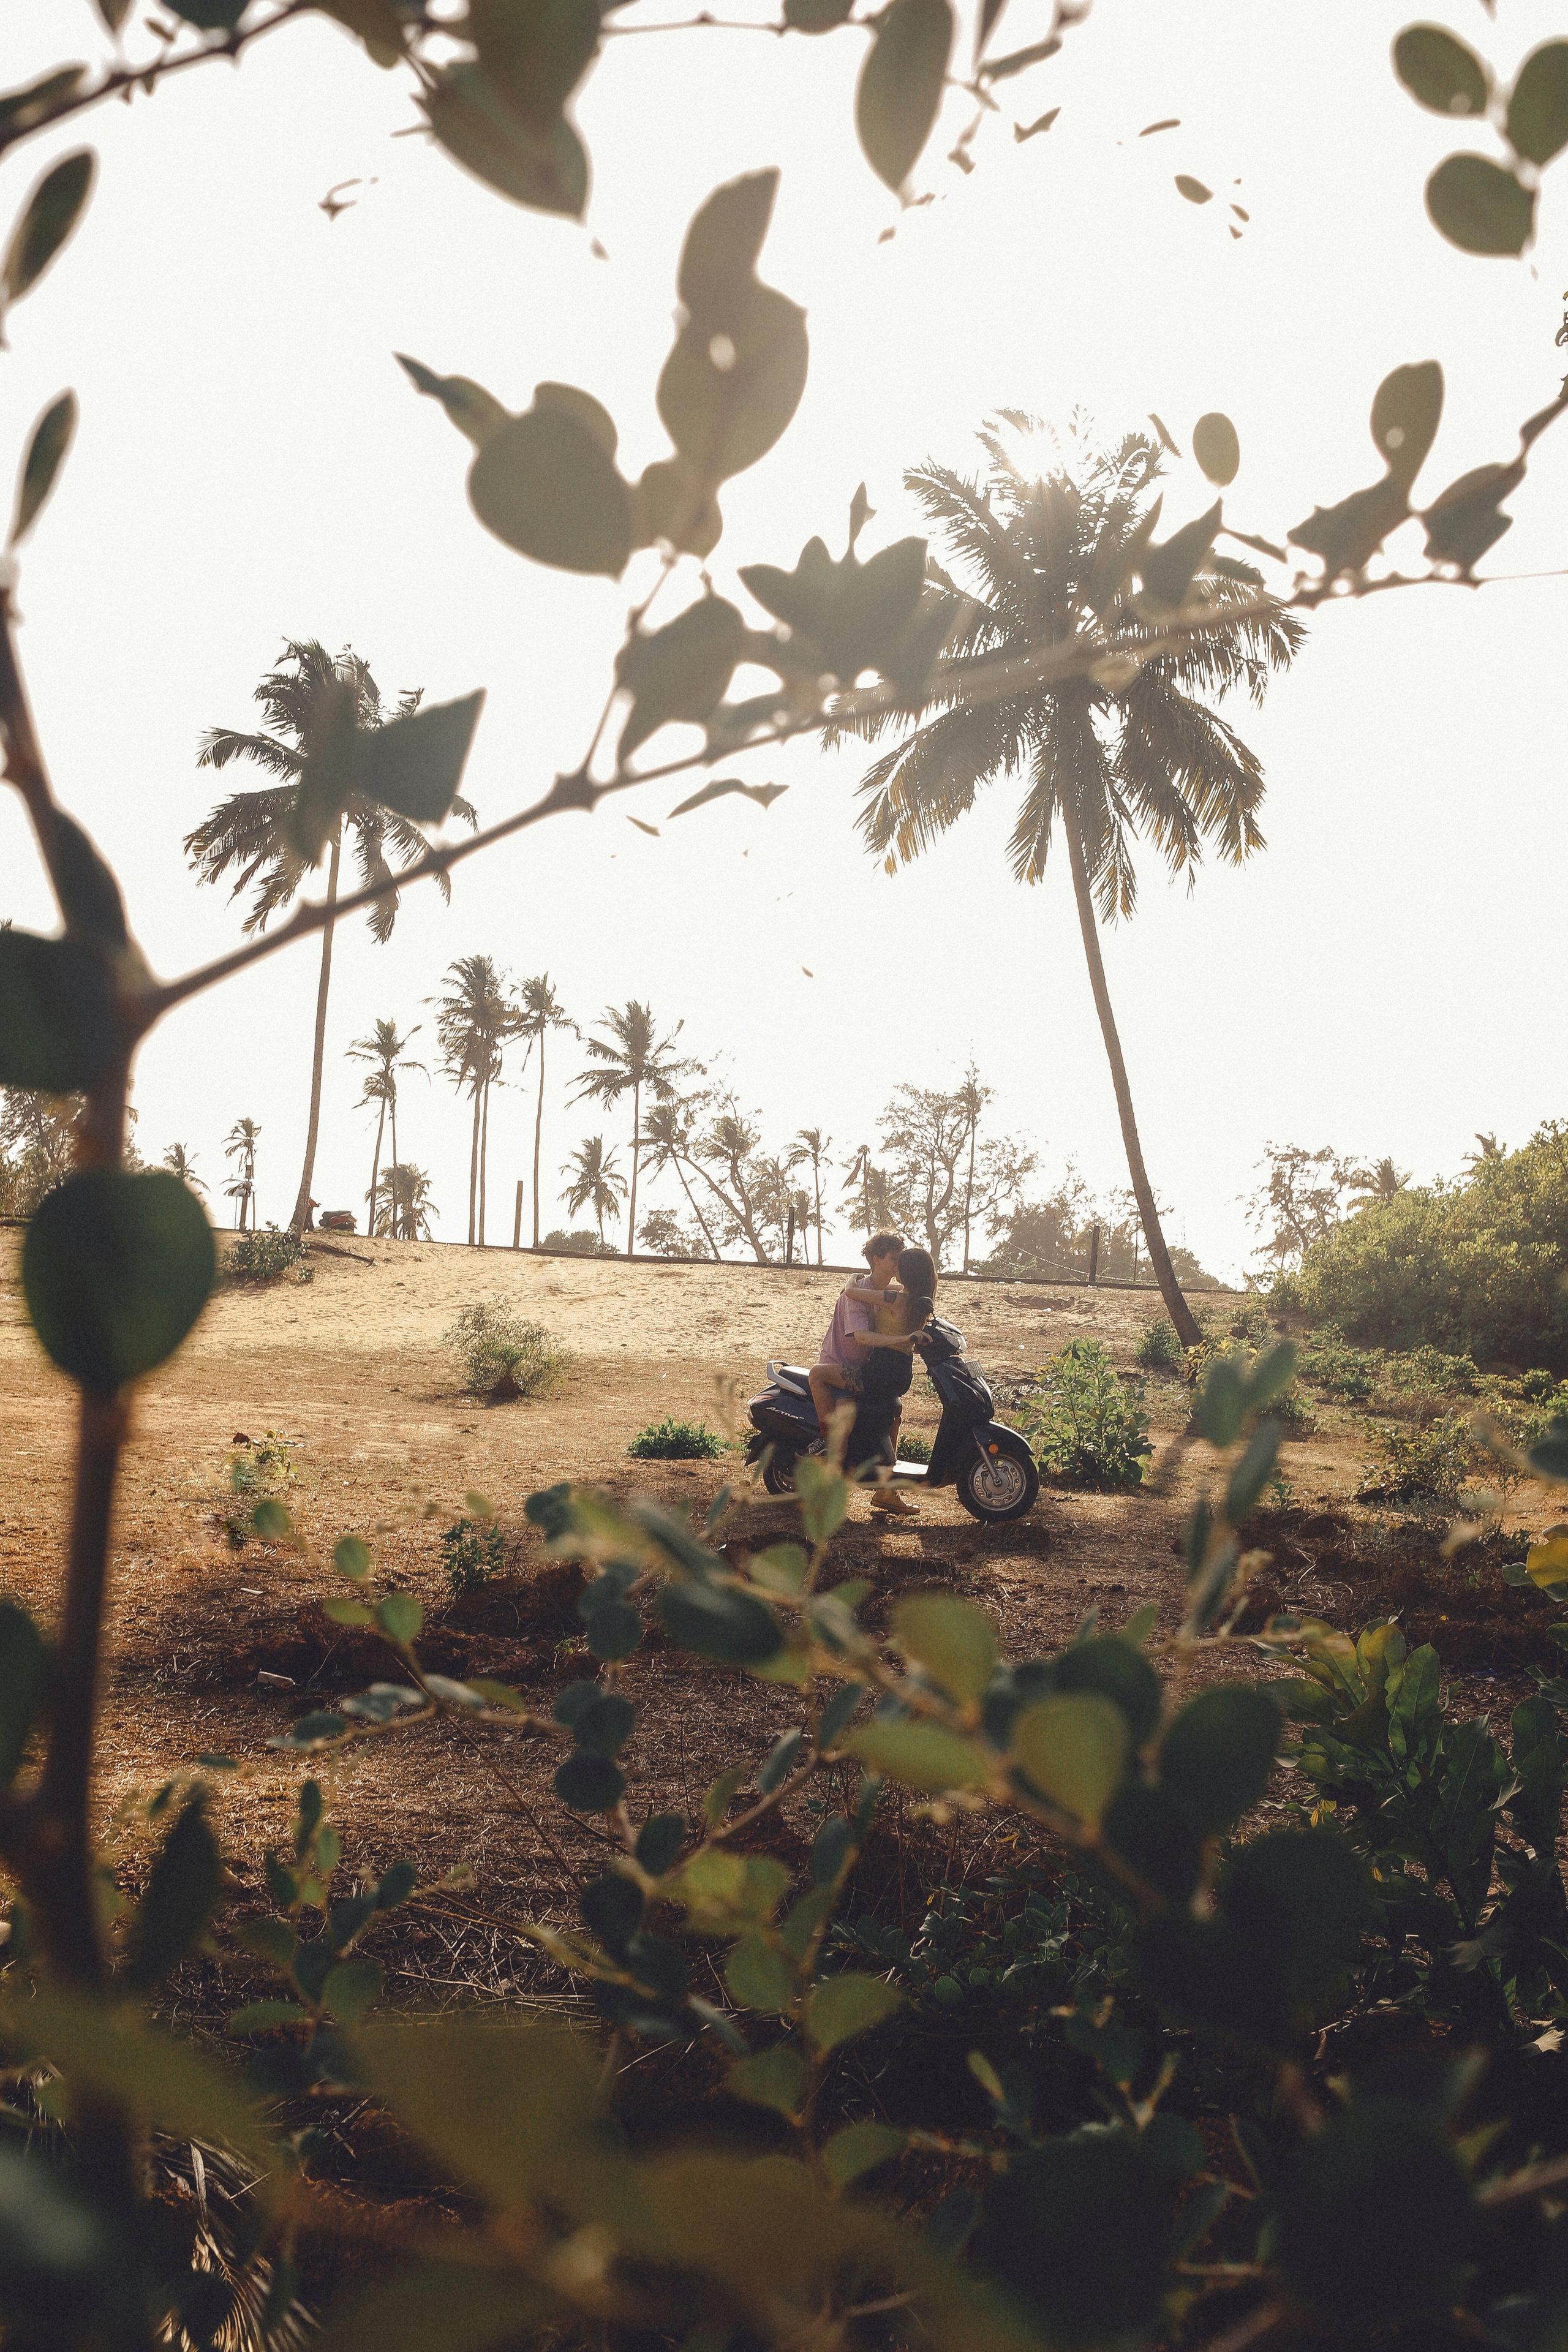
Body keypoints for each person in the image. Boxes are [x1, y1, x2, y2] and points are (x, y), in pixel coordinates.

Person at [856, 1246, 938, 1517]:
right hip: (901, 1370)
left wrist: (853, 1279)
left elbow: (853, 1293)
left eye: (899, 1265)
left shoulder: (897, 1299)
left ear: (908, 1272)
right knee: (894, 1416)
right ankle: (886, 1490)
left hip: (882, 1368)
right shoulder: (920, 1299)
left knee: (880, 1419)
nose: (895, 1269)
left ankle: (880, 1483)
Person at [808, 1231, 903, 1443]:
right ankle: (826, 1443)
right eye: (894, 1259)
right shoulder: (859, 1293)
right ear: (877, 1260)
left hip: (865, 1370)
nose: (898, 1264)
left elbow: (910, 1292)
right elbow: (862, 1337)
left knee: (893, 1417)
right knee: (842, 1430)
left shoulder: (880, 1291)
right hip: (839, 1366)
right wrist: (903, 1339)